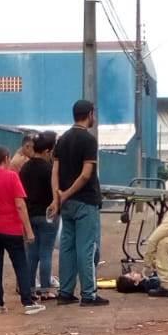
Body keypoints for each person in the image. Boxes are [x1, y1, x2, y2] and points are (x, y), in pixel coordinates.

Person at [52, 100, 109, 307]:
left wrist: (57, 196)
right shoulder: (88, 140)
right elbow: (86, 175)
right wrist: (65, 194)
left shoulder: (62, 139)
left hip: (67, 205)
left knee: (67, 248)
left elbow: (55, 171)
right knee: (87, 248)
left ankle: (65, 292)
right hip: (85, 201)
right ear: (90, 114)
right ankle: (88, 294)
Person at [0, 145, 43, 315]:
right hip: (11, 229)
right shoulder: (12, 177)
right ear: (6, 158)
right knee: (21, 264)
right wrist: (28, 231)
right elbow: (20, 205)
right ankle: (28, 302)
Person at [20, 130, 60, 301]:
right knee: (45, 253)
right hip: (47, 215)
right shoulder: (49, 169)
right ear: (47, 151)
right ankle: (45, 290)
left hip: (30, 215)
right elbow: (55, 192)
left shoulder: (24, 168)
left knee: (32, 254)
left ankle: (29, 289)